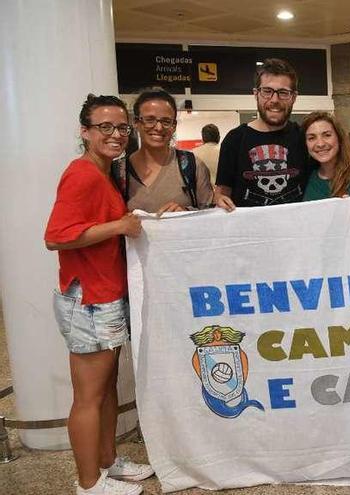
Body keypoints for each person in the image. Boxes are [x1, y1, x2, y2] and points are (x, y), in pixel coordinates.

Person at [44, 94, 153, 495]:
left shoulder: (103, 171)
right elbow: (55, 237)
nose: (116, 134)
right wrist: (119, 227)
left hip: (104, 295)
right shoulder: (83, 173)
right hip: (88, 298)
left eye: (122, 127)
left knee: (106, 387)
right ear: (85, 131)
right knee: (89, 395)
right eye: (105, 127)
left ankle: (107, 460)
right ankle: (89, 483)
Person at [215, 58, 310, 207]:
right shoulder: (235, 140)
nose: (274, 100)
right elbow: (222, 193)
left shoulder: (304, 137)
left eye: (283, 93)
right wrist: (219, 201)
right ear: (255, 94)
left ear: (294, 97)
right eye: (267, 91)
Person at [116, 89, 218, 214]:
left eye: (166, 121)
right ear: (136, 123)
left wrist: (186, 212)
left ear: (173, 126)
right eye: (150, 120)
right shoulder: (118, 172)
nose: (158, 127)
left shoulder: (192, 165)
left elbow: (209, 215)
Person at [302, 111, 350, 200]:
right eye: (312, 138)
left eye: (327, 135)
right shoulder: (307, 176)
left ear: (339, 138)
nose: (320, 144)